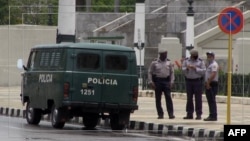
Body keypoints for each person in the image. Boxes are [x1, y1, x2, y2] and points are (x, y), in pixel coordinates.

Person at [148, 49, 175, 119]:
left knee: (168, 98)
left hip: (166, 81)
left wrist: (172, 82)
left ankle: (171, 114)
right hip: (158, 81)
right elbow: (150, 72)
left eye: (165, 54)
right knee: (158, 99)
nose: (165, 55)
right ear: (160, 55)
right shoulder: (154, 63)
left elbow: (172, 73)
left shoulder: (169, 62)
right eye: (163, 54)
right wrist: (151, 82)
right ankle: (160, 114)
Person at [182, 49, 206, 120]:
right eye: (193, 56)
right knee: (189, 98)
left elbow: (203, 71)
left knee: (198, 99)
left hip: (197, 81)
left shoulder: (200, 62)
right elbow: (183, 70)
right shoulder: (186, 61)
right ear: (191, 55)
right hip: (189, 81)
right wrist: (187, 68)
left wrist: (196, 68)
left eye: (195, 56)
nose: (194, 57)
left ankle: (198, 114)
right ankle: (189, 113)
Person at [204, 51, 219, 121]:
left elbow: (213, 74)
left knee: (212, 100)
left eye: (210, 56)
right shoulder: (209, 64)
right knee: (210, 100)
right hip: (210, 83)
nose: (208, 58)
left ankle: (213, 116)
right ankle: (212, 115)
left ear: (213, 57)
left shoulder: (214, 65)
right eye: (208, 56)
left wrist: (208, 83)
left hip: (212, 84)